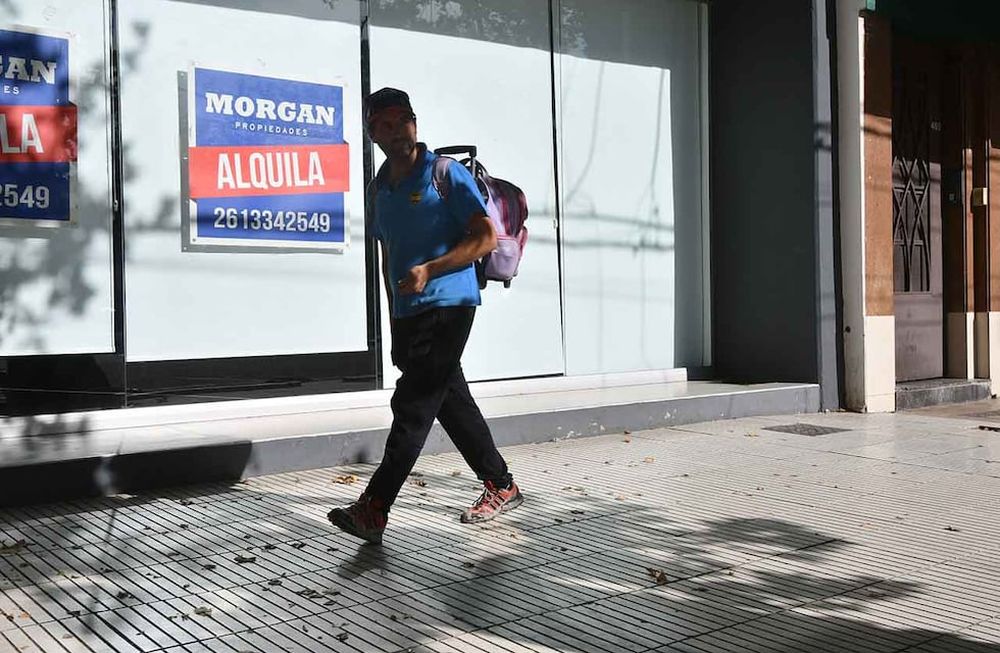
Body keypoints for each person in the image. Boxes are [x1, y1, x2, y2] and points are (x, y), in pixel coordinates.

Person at [327, 88, 523, 544]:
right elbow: (388, 255)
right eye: (386, 124)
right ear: (373, 133)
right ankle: (501, 483)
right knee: (448, 398)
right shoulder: (380, 189)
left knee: (413, 404)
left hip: (451, 302)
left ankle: (375, 507)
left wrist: (432, 270)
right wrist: (394, 317)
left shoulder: (445, 175)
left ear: (415, 122)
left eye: (404, 120)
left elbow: (484, 239)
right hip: (410, 310)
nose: (397, 131)